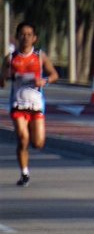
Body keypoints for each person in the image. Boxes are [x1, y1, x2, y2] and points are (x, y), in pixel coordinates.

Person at [1, 22, 59, 186]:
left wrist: (44, 81)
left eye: (29, 35)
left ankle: (27, 158)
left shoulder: (40, 56)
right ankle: (24, 173)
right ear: (17, 37)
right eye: (22, 34)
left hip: (36, 105)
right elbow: (1, 82)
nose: (25, 37)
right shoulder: (10, 58)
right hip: (18, 104)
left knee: (38, 143)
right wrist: (5, 75)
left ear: (34, 38)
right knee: (23, 138)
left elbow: (54, 75)